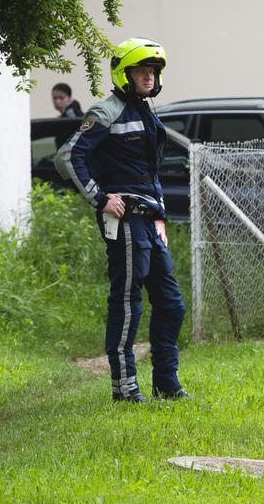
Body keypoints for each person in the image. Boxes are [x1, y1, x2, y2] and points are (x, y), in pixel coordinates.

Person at [54, 38, 188, 403]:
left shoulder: (146, 110)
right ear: (124, 73)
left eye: (153, 71)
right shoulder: (106, 111)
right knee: (128, 302)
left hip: (150, 221)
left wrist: (159, 214)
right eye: (142, 70)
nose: (149, 76)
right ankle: (125, 388)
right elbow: (68, 157)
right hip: (126, 221)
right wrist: (100, 198)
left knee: (171, 302)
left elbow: (149, 171)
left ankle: (166, 383)